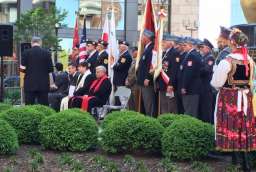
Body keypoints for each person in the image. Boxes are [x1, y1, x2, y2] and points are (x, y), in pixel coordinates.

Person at [211, 28, 256, 171]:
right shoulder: (250, 61)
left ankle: (237, 162)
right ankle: (245, 163)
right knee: (243, 129)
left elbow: (216, 83)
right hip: (245, 99)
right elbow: (251, 81)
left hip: (230, 99)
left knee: (232, 129)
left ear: (232, 42)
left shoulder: (227, 61)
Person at [20, 36, 53, 105]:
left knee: (29, 106)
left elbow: (22, 69)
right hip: (43, 84)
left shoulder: (25, 53)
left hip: (29, 83)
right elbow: (50, 69)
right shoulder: (47, 53)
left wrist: (22, 82)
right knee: (43, 106)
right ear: (40, 43)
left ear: (31, 43)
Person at [156, 34, 179, 114]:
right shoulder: (164, 53)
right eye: (163, 41)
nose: (163, 43)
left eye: (165, 42)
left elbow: (174, 70)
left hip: (169, 84)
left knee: (171, 106)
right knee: (164, 106)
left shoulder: (174, 53)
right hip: (163, 84)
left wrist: (171, 84)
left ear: (171, 43)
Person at [180, 37, 202, 118]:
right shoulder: (189, 55)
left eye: (185, 45)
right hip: (191, 88)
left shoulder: (192, 55)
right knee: (188, 110)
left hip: (191, 88)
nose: (183, 47)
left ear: (191, 46)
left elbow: (188, 73)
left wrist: (184, 86)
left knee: (190, 112)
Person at [137, 29, 156, 116]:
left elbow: (152, 65)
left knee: (149, 103)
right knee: (145, 103)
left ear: (147, 37)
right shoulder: (146, 48)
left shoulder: (152, 48)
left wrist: (148, 78)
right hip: (142, 81)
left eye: (142, 36)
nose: (141, 38)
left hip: (147, 81)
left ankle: (150, 120)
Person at [198, 39, 215, 123]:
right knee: (202, 108)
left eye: (203, 47)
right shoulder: (203, 57)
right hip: (202, 87)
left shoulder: (210, 58)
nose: (201, 49)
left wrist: (196, 70)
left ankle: (208, 125)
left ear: (208, 48)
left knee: (207, 109)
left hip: (207, 87)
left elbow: (206, 70)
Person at [126, 47, 140, 111]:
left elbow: (135, 74)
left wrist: (129, 82)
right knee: (130, 102)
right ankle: (131, 113)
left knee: (135, 102)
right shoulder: (133, 61)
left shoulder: (138, 62)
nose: (132, 53)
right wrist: (127, 80)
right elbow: (129, 72)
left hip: (135, 85)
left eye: (134, 51)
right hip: (130, 84)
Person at [175, 37, 186, 114]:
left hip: (182, 83)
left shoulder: (186, 55)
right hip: (178, 83)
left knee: (183, 106)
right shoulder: (178, 54)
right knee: (178, 105)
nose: (178, 47)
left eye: (180, 45)